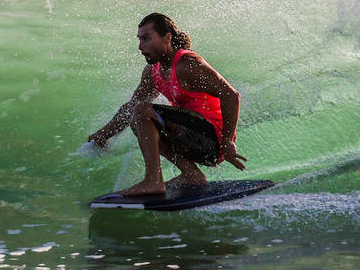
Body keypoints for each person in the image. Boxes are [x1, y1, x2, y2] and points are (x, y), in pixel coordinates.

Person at [88, 13, 247, 195]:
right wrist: (103, 135)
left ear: (167, 38)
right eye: (139, 40)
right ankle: (191, 175)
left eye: (146, 39)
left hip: (213, 142)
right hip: (191, 139)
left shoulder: (187, 65)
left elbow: (231, 96)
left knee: (143, 111)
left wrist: (227, 142)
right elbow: (130, 108)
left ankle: (153, 181)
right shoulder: (153, 71)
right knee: (138, 114)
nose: (141, 46)